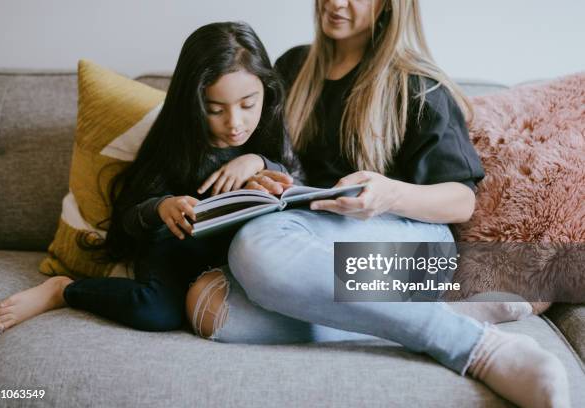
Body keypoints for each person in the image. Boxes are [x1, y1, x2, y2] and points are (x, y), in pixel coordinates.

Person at [185, 2, 570, 407]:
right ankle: (441, 315)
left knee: (256, 245)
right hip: (310, 251)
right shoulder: (292, 67)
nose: (335, 3)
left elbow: (462, 202)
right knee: (210, 307)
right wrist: (259, 168)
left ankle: (477, 349)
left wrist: (391, 193)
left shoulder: (419, 84)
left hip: (419, 252)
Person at [0, 21, 296, 333]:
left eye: (248, 105)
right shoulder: (176, 140)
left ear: (266, 92)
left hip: (237, 257)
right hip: (174, 252)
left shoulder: (267, 134)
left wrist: (259, 163)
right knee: (156, 313)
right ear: (193, 103)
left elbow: (295, 183)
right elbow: (129, 214)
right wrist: (163, 207)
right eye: (215, 109)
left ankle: (346, 299)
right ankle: (64, 290)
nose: (235, 123)